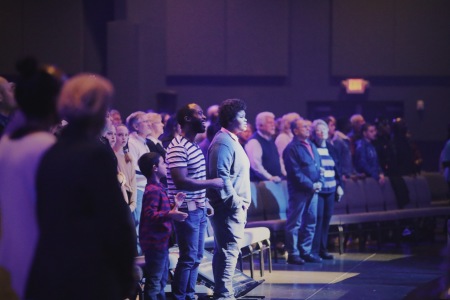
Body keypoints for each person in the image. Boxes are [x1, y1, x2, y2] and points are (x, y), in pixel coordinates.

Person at [26, 73, 136, 300]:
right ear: (98, 111)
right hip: (88, 272)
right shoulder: (95, 154)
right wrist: (126, 276)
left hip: (51, 268)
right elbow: (115, 223)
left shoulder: (51, 150)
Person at [0, 58, 63, 299]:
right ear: (53, 103)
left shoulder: (5, 143)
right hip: (39, 263)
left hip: (8, 261)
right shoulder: (47, 148)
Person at [166, 103, 223, 300]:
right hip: (185, 210)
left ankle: (189, 295)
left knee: (196, 257)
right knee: (188, 257)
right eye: (199, 113)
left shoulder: (193, 145)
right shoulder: (178, 147)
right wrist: (212, 183)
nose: (204, 117)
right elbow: (181, 181)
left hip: (197, 208)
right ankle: (180, 296)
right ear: (188, 119)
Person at [206, 99, 251, 299]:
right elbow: (220, 174)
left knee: (226, 251)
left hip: (233, 207)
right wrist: (235, 203)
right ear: (231, 119)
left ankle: (223, 293)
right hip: (228, 209)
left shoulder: (231, 140)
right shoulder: (222, 141)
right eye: (241, 116)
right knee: (228, 252)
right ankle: (224, 295)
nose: (245, 120)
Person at [138, 152, 188, 300]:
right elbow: (150, 214)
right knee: (155, 281)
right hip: (155, 243)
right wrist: (171, 214)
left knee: (161, 280)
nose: (166, 166)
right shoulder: (152, 190)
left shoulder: (158, 188)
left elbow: (160, 210)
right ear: (154, 168)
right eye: (163, 163)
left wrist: (174, 206)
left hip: (161, 242)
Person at [283, 118, 324, 264]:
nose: (308, 128)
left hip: (313, 190)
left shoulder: (311, 145)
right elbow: (295, 172)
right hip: (299, 191)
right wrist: (311, 185)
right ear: (295, 131)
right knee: (295, 223)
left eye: (308, 126)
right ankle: (293, 253)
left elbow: (319, 166)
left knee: (311, 221)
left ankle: (305, 251)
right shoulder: (291, 148)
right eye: (304, 127)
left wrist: (320, 182)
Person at [310, 119, 343, 260]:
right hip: (319, 189)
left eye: (325, 129)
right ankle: (314, 251)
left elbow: (337, 169)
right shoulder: (312, 148)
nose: (323, 132)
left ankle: (323, 249)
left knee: (326, 220)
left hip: (331, 188)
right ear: (314, 133)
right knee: (318, 219)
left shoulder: (331, 147)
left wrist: (339, 185)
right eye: (319, 130)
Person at [126, 111, 151, 254]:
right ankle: (138, 265)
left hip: (145, 188)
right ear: (136, 126)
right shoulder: (132, 143)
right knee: (138, 226)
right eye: (145, 122)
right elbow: (134, 169)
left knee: (145, 226)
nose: (149, 125)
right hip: (139, 189)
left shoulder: (143, 143)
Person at [245, 111, 282, 182]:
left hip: (274, 183)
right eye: (270, 123)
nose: (273, 125)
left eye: (273, 122)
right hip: (261, 185)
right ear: (260, 126)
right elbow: (256, 166)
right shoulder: (254, 142)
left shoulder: (270, 140)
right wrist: (270, 177)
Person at [114, 124, 137, 212]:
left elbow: (133, 182)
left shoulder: (128, 157)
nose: (124, 138)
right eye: (120, 135)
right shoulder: (112, 156)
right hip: (119, 196)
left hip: (129, 197)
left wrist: (133, 204)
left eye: (126, 135)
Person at [275, 112, 302, 177]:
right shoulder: (282, 138)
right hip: (288, 174)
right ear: (287, 124)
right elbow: (281, 158)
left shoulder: (293, 137)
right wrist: (286, 174)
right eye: (296, 121)